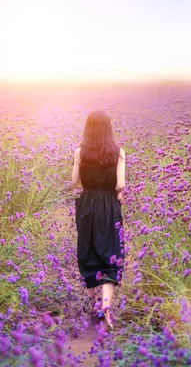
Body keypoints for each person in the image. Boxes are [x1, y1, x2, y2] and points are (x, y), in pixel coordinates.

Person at [71, 110, 125, 330]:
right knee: (111, 251)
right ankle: (106, 305)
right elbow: (120, 185)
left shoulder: (79, 152)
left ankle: (94, 304)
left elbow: (74, 182)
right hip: (109, 204)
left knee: (88, 251)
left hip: (87, 205)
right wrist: (114, 192)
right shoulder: (118, 152)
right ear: (108, 128)